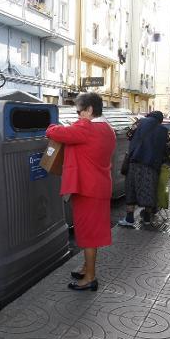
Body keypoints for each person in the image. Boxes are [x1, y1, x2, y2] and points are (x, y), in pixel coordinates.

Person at [46, 93, 116, 291]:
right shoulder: (107, 128)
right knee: (92, 230)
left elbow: (55, 132)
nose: (77, 116)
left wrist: (51, 126)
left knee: (87, 234)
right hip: (100, 186)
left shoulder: (86, 127)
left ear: (90, 110)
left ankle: (90, 278)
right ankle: (87, 266)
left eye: (79, 112)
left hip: (87, 189)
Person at [118, 111, 170, 226]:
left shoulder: (139, 123)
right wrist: (160, 160)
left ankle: (129, 219)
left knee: (131, 189)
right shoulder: (163, 131)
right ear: (160, 120)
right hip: (151, 166)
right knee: (149, 190)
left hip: (134, 162)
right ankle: (147, 218)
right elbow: (168, 150)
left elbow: (128, 135)